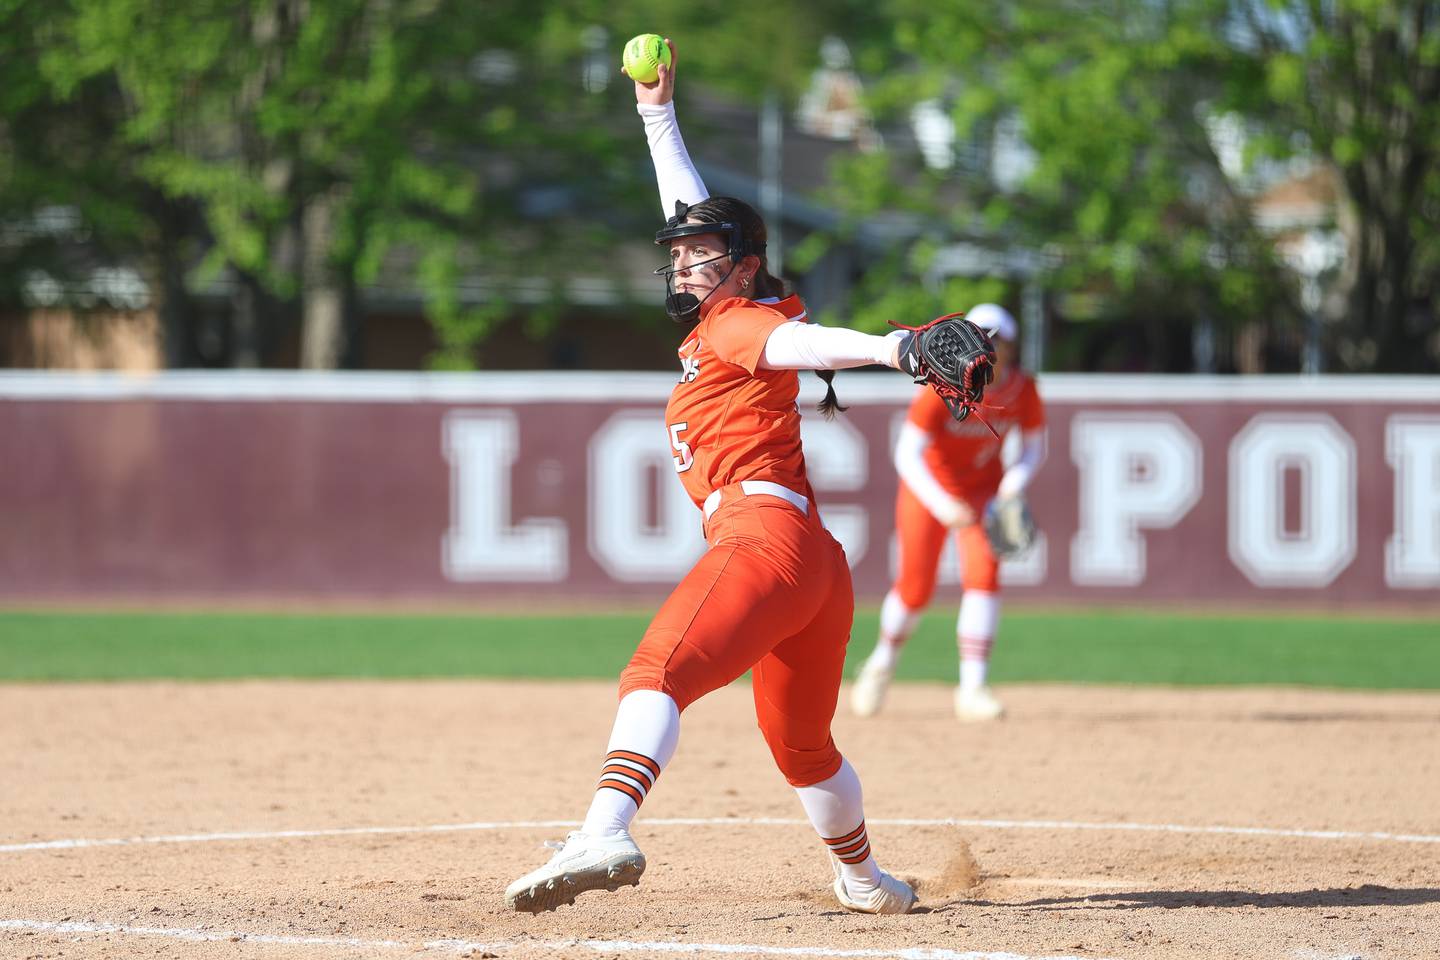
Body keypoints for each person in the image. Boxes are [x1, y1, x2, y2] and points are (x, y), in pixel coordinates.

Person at [503, 39, 940, 916]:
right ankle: (863, 879)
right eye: (680, 254)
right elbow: (699, 219)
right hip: (815, 564)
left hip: (765, 543)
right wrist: (655, 115)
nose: (682, 263)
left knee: (655, 673)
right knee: (801, 747)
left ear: (741, 265)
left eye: (702, 255)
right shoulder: (733, 310)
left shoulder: (736, 324)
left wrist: (895, 348)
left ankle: (604, 828)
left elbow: (796, 346)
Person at [849, 303, 1046, 722]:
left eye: (998, 341)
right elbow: (907, 452)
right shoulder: (942, 387)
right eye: (982, 339)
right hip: (929, 491)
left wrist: (1012, 487)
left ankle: (973, 688)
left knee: (984, 578)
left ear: (1011, 346)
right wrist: (941, 503)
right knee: (915, 588)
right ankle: (881, 663)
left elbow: (1032, 445)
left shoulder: (1022, 389)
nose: (989, 350)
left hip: (981, 492)